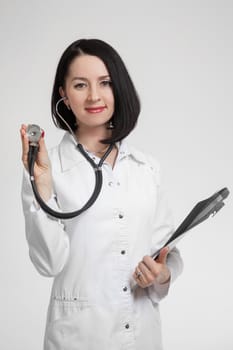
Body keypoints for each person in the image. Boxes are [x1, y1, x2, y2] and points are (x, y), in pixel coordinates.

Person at [20, 38, 183, 350]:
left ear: (117, 88)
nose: (94, 96)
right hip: (79, 338)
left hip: (142, 336)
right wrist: (40, 183)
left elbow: (169, 252)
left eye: (105, 83)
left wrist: (162, 274)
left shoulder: (146, 168)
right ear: (64, 95)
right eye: (80, 85)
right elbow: (48, 264)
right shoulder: (45, 167)